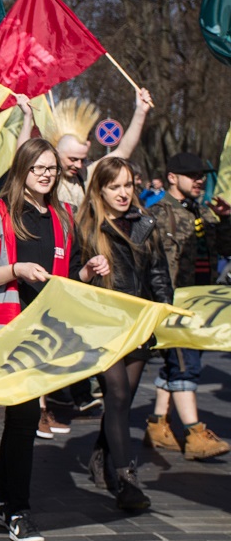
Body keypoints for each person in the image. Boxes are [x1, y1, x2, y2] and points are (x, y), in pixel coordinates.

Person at [0, 139, 107, 541]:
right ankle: (18, 511)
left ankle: (3, 504)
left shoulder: (63, 216)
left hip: (45, 333)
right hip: (9, 332)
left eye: (51, 169)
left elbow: (71, 274)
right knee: (25, 417)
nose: (46, 175)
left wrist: (92, 271)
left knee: (22, 422)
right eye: (38, 168)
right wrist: (16, 269)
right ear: (21, 169)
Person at [75, 157, 173, 511]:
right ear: (100, 188)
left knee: (124, 399)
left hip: (139, 323)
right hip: (102, 324)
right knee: (115, 393)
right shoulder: (86, 226)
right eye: (114, 186)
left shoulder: (146, 224)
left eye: (128, 185)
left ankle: (101, 455)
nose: (123, 193)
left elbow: (159, 273)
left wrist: (163, 311)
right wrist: (87, 270)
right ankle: (127, 481)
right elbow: (70, 279)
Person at [145, 152, 231, 459]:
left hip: (202, 304)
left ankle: (157, 425)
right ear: (172, 177)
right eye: (193, 175)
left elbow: (225, 249)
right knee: (186, 365)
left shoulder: (205, 212)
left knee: (177, 364)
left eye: (202, 176)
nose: (200, 181)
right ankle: (195, 434)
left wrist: (226, 219)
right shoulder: (154, 214)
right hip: (172, 304)